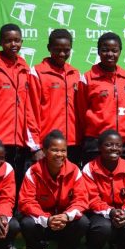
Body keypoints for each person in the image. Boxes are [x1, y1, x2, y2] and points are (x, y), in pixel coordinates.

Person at [0, 23, 41, 188]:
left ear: (22, 42)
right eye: (8, 40)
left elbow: (31, 108)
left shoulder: (26, 69)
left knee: (17, 185)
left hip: (21, 141)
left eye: (17, 40)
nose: (13, 44)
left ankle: (13, 215)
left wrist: (33, 140)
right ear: (0, 42)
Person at [18, 130, 89, 249]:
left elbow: (81, 200)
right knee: (26, 222)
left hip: (63, 221)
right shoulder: (33, 171)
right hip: (42, 221)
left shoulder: (74, 170)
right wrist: (47, 218)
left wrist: (66, 216)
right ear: (44, 151)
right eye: (55, 150)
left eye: (63, 151)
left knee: (83, 222)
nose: (60, 155)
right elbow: (26, 201)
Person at [83, 130, 125, 249]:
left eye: (118, 145)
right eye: (109, 145)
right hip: (100, 214)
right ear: (99, 147)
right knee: (102, 227)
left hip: (123, 213)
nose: (114, 149)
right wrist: (110, 212)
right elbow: (91, 198)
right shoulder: (89, 168)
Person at [79, 32, 125, 166]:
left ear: (120, 52)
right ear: (98, 52)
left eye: (114, 50)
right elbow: (81, 112)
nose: (110, 54)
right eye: (105, 50)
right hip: (96, 142)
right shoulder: (87, 78)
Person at [29, 29, 83, 167]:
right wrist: (35, 146)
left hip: (73, 144)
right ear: (49, 48)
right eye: (57, 49)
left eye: (66, 50)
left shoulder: (75, 74)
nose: (62, 54)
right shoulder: (37, 72)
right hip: (47, 144)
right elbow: (30, 111)